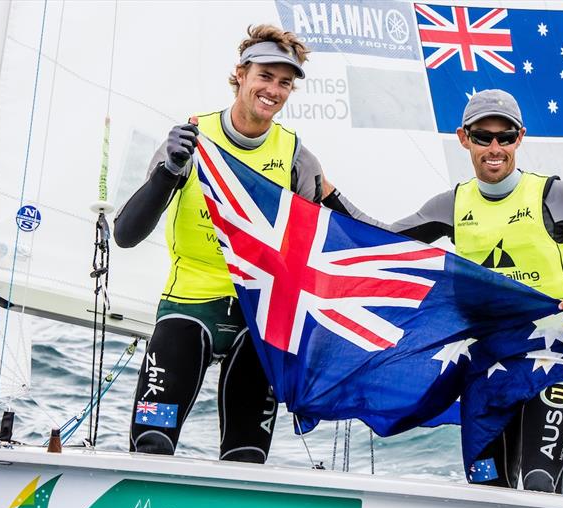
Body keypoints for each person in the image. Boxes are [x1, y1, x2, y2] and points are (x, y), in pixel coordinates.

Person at [114, 24, 383, 463]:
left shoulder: (296, 157)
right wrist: (169, 170)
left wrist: (428, 255)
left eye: (285, 82)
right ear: (241, 74)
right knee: (152, 443)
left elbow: (353, 226)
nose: (274, 90)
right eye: (265, 76)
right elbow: (126, 236)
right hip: (189, 302)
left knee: (246, 455)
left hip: (258, 317)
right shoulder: (190, 139)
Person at [390, 89, 563, 492]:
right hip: (488, 365)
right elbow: (375, 241)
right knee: (489, 492)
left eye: (505, 136)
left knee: (539, 485)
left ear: (520, 138)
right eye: (482, 137)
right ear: (464, 138)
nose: (494, 147)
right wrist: (327, 198)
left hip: (551, 357)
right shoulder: (450, 205)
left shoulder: (556, 196)